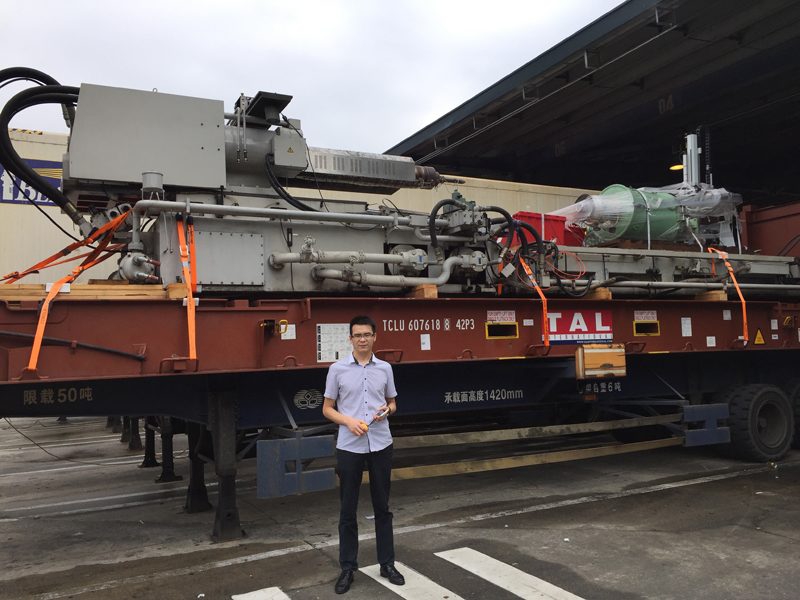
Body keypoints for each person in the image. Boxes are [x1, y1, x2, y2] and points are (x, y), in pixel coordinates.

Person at [323, 315, 405, 594]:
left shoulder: (385, 368)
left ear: (374, 337)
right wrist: (348, 421)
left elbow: (393, 402)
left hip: (381, 443)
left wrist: (387, 410)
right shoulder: (337, 370)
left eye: (366, 335)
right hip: (350, 445)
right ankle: (348, 567)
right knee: (348, 509)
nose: (362, 339)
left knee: (383, 507)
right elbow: (327, 408)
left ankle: (387, 563)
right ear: (350, 339)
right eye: (357, 335)